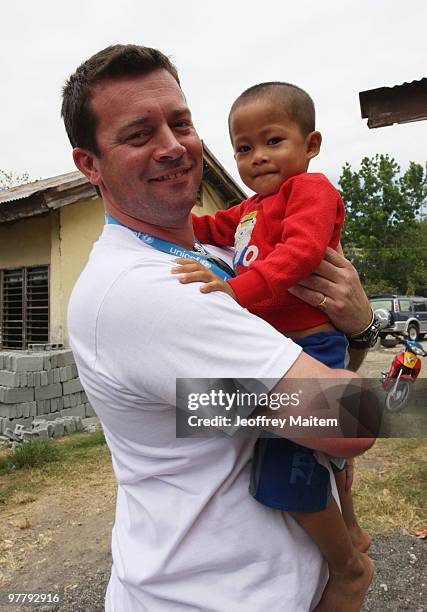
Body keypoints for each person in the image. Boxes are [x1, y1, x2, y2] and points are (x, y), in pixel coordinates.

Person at [63, 44, 378, 611]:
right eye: (138, 135)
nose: (172, 146)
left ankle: (347, 557)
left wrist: (349, 340)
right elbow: (350, 422)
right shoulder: (154, 290)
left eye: (180, 122)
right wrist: (367, 348)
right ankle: (349, 561)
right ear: (89, 164)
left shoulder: (212, 260)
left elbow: (223, 410)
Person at [175, 81, 372, 606]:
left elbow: (302, 253)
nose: (257, 156)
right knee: (313, 456)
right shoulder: (249, 210)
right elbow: (203, 227)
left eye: (273, 141)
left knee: (286, 480)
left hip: (314, 347)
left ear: (311, 145)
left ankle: (347, 564)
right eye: (243, 147)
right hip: (280, 349)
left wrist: (235, 290)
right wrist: (158, 224)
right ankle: (351, 527)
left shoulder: (312, 191)